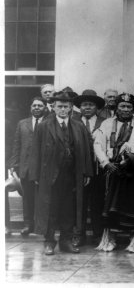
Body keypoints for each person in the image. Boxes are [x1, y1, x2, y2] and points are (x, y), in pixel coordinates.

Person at [29, 92, 93, 255]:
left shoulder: (79, 127)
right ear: (53, 107)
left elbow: (86, 151)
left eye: (66, 107)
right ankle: (49, 242)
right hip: (50, 175)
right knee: (50, 208)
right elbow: (35, 150)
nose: (63, 110)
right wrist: (35, 175)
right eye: (59, 106)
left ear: (71, 108)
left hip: (72, 175)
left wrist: (86, 173)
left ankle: (66, 241)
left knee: (69, 209)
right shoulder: (44, 126)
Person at [93, 93, 134, 252]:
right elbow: (98, 144)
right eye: (122, 106)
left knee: (132, 207)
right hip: (112, 169)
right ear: (117, 108)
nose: (125, 110)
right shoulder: (106, 123)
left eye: (129, 107)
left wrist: (131, 159)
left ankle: (133, 240)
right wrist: (106, 163)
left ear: (133, 109)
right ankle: (110, 239)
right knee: (110, 206)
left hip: (133, 171)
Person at [72, 89, 106, 246]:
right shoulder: (73, 121)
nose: (87, 108)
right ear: (79, 107)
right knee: (80, 202)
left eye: (90, 105)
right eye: (84, 105)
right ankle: (79, 234)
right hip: (79, 168)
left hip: (98, 168)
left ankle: (98, 234)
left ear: (96, 107)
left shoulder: (105, 121)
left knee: (97, 202)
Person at [9, 97, 47, 237]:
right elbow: (17, 144)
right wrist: (13, 164)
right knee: (28, 197)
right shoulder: (22, 123)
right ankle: (27, 224)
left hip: (44, 167)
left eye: (40, 105)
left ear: (45, 108)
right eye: (34, 105)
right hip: (26, 167)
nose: (37, 108)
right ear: (31, 107)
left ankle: (41, 226)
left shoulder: (49, 123)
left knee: (43, 198)